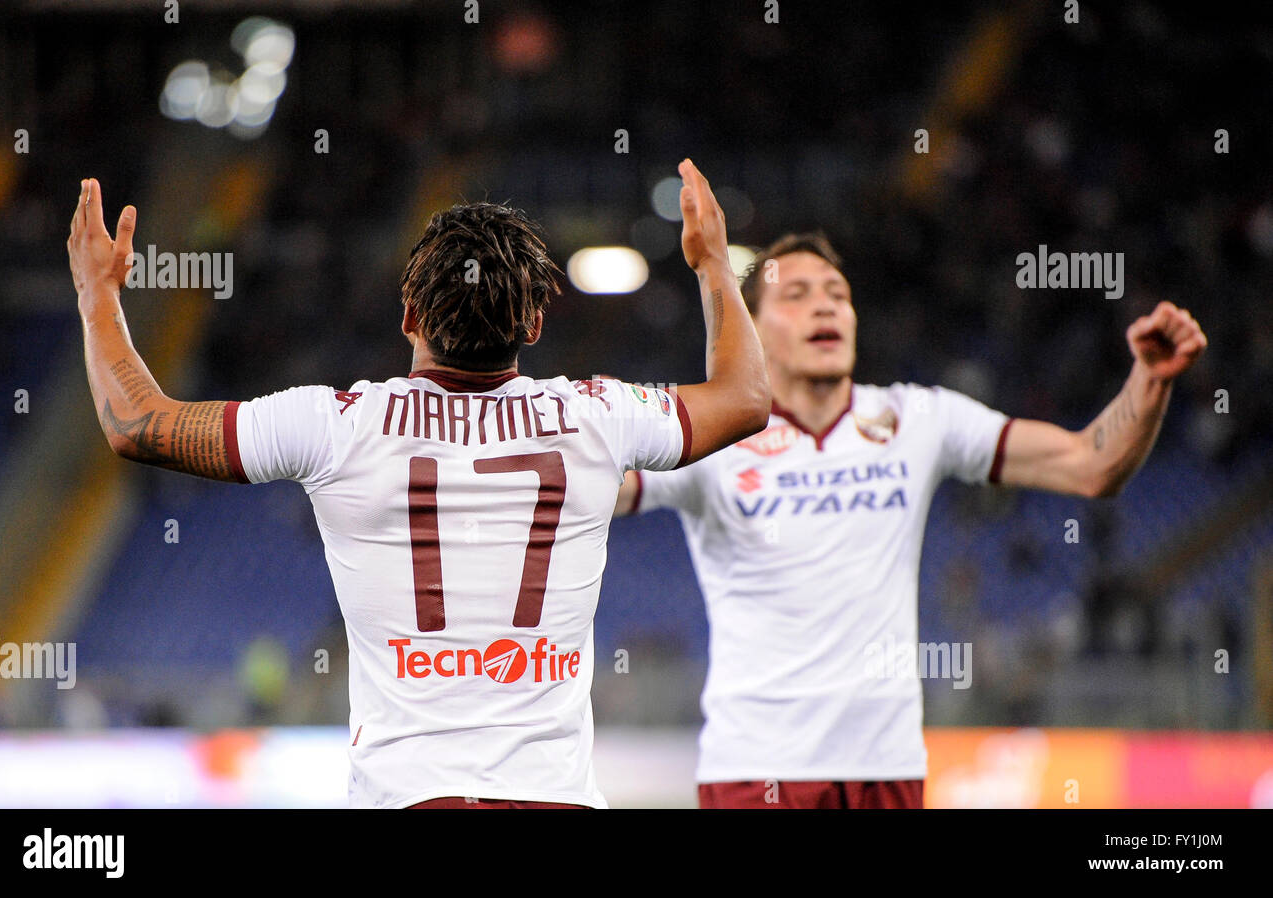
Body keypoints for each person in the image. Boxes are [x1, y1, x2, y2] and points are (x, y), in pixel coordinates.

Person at [66, 159, 769, 808]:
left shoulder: (334, 423)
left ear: (407, 316)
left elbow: (138, 424)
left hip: (408, 797)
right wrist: (712, 268)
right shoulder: (600, 414)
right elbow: (743, 398)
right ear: (533, 321)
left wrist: (98, 295)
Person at [614, 231, 1208, 809]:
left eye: (837, 294)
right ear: (754, 330)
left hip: (886, 772)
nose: (825, 304)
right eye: (795, 294)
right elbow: (598, 485)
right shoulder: (715, 438)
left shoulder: (917, 417)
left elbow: (1090, 464)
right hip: (754, 772)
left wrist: (1150, 380)